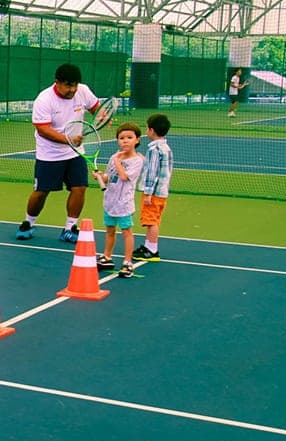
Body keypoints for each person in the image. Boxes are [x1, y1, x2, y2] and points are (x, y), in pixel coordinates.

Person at [16, 63, 105, 243]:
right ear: (57, 83)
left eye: (75, 85)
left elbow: (96, 107)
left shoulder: (83, 91)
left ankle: (70, 227)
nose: (72, 90)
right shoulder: (44, 99)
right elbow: (43, 129)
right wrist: (68, 140)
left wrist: (101, 114)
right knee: (41, 192)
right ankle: (28, 222)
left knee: (79, 188)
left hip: (75, 153)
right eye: (68, 86)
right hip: (49, 154)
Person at [91, 122, 144, 279]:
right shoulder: (115, 156)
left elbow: (124, 177)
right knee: (109, 231)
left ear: (137, 140)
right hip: (110, 201)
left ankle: (128, 262)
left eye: (129, 137)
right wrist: (101, 176)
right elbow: (110, 176)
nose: (125, 141)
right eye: (121, 138)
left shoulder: (138, 160)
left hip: (124, 203)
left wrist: (118, 162)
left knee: (126, 232)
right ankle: (107, 257)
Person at [134, 114, 174, 261]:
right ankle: (149, 245)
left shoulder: (154, 149)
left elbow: (152, 172)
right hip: (162, 191)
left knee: (151, 221)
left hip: (154, 192)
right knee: (154, 220)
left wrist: (148, 193)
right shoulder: (165, 147)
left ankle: (152, 249)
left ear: (151, 130)